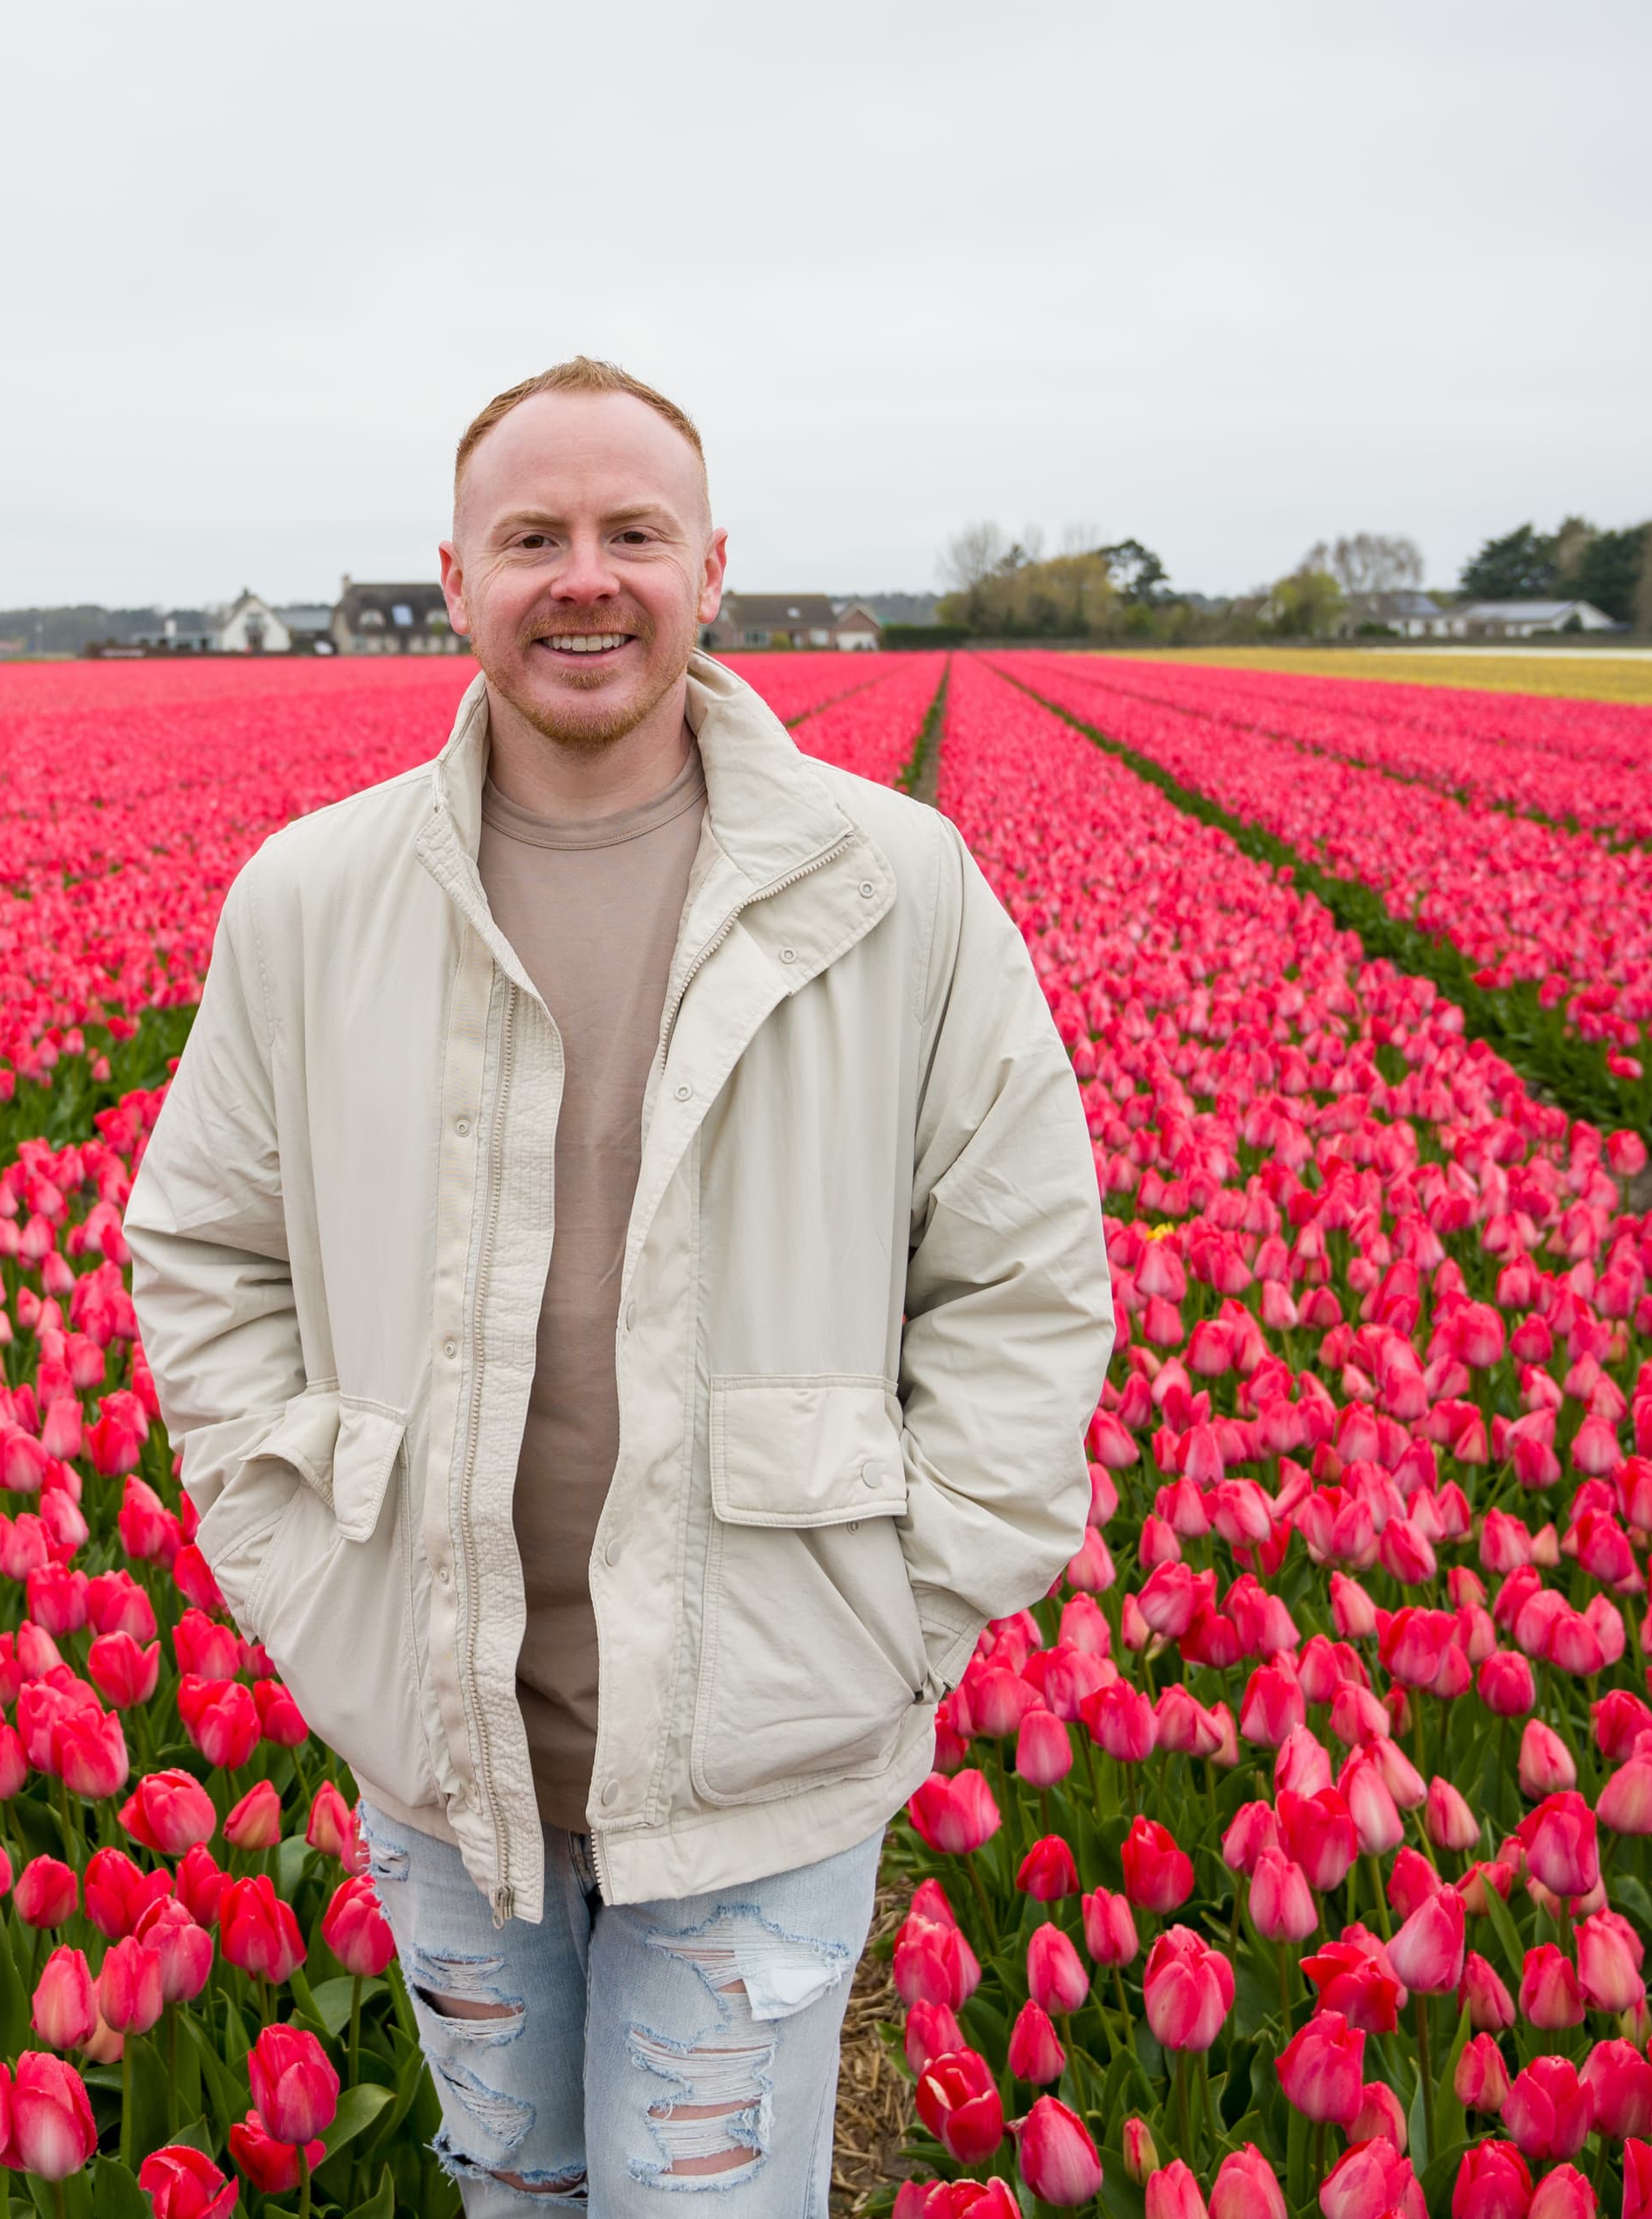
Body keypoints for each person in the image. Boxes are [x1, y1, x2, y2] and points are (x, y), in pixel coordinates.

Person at [126, 358, 1113, 2216]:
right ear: (455, 580)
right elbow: (202, 1248)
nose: (585, 579)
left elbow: (1025, 1268)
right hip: (444, 1744)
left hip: (768, 1736)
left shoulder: (894, 885)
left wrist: (902, 1605)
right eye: (533, 539)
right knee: (517, 2187)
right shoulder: (313, 899)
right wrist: (297, 1567)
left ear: (711, 567)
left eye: (632, 534)